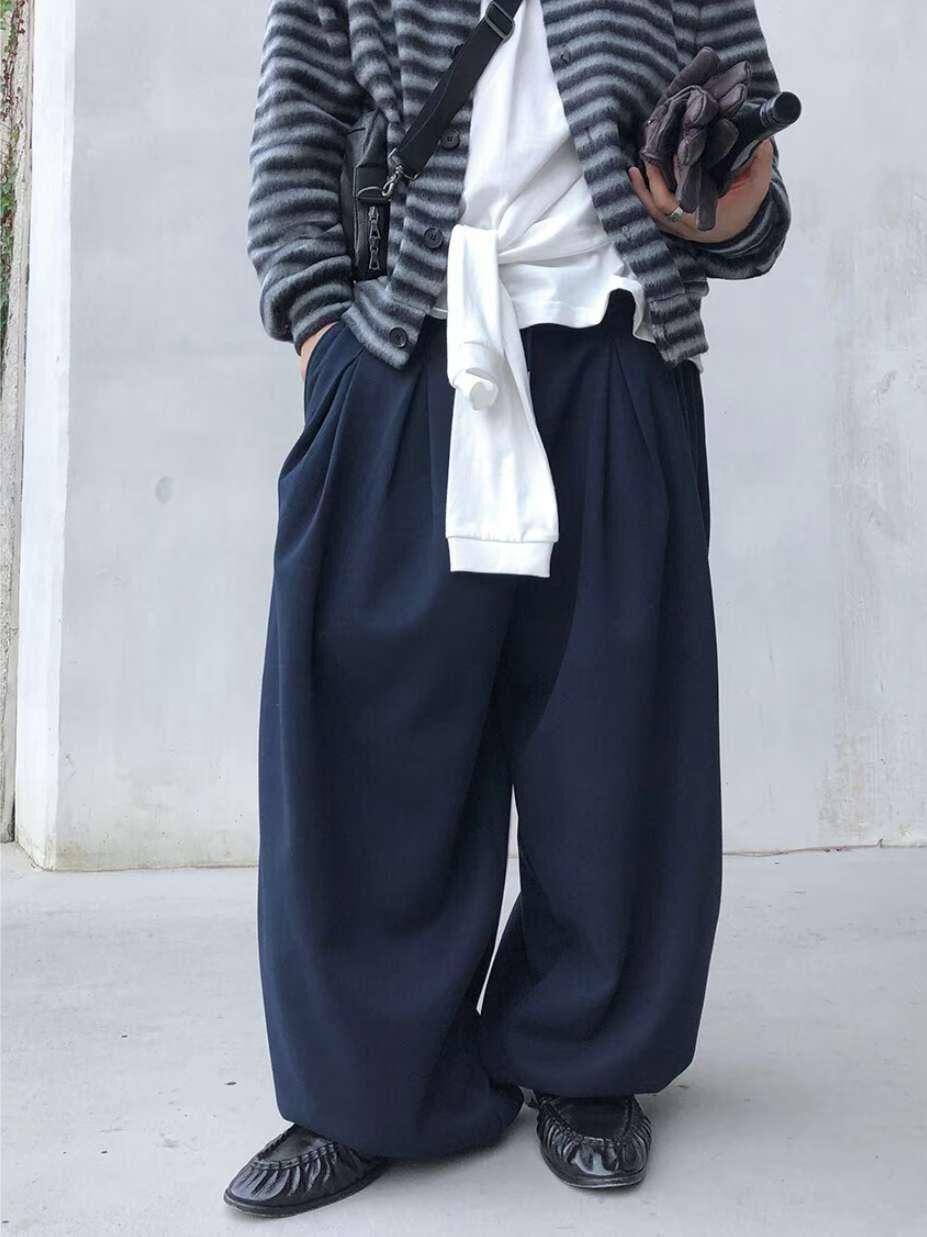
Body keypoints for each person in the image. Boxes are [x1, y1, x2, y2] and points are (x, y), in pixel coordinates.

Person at [225, 0, 790, 1217]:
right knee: (367, 734)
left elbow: (754, 206)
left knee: (614, 737)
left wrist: (719, 204)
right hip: (404, 351)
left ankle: (587, 1061)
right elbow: (297, 126)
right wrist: (324, 339)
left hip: (618, 354)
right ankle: (364, 1089)